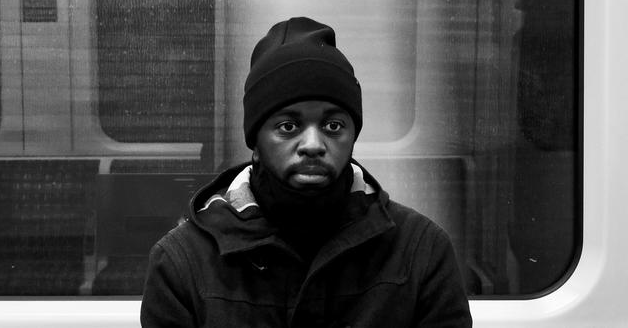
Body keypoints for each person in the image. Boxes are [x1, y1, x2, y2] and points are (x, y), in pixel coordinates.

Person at [141, 17, 472, 327]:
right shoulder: (183, 263)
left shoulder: (419, 250)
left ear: (352, 136)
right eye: (288, 126)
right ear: (255, 140)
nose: (313, 144)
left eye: (333, 125)